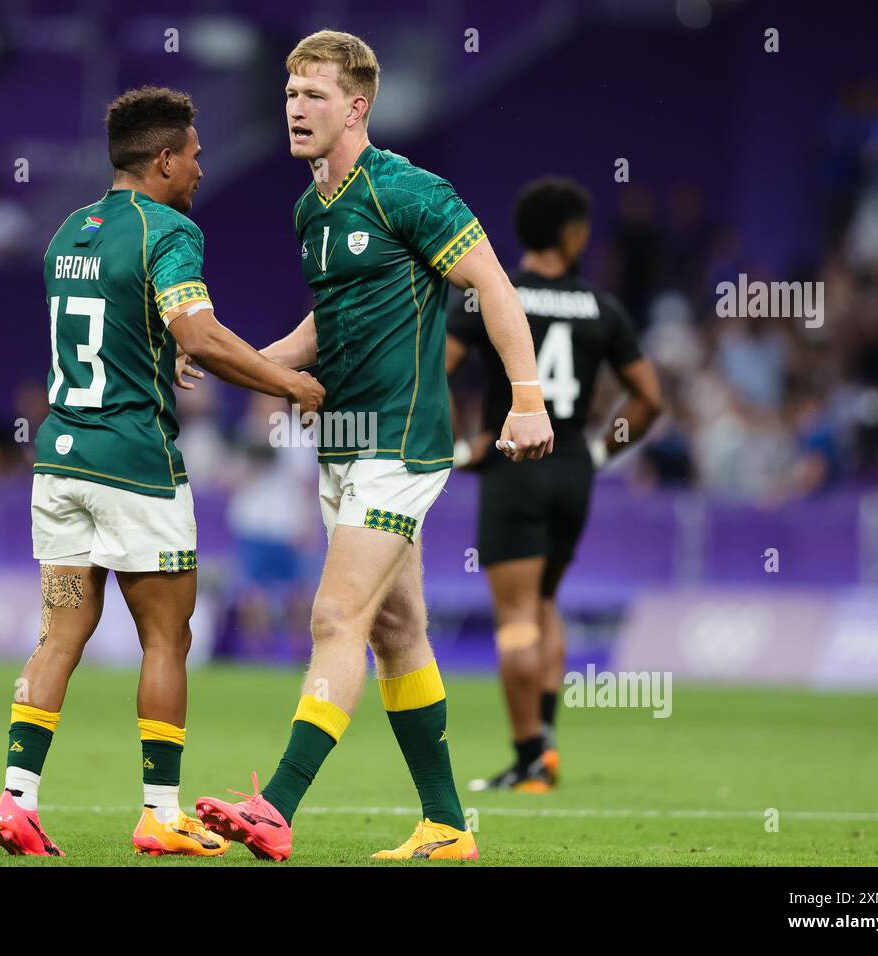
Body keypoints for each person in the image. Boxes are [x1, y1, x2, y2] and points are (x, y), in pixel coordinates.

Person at [195, 31, 553, 862]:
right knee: (397, 630)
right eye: (289, 93)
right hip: (344, 447)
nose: (294, 107)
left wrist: (527, 399)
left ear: (357, 107)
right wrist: (234, 359)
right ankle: (448, 826)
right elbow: (328, 323)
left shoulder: (409, 191)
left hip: (402, 444)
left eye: (314, 95)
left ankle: (276, 806)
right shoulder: (309, 209)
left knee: (334, 615)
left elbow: (493, 284)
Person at [0, 86, 325, 858]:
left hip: (61, 469)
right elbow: (198, 334)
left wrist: (165, 349)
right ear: (163, 160)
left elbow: (115, 329)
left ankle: (16, 800)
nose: (201, 168)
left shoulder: (69, 231)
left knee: (58, 636)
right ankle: (161, 812)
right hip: (135, 471)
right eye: (195, 155)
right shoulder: (168, 231)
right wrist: (291, 383)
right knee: (167, 639)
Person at [445, 177, 662, 792]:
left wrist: (465, 444)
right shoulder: (603, 306)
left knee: (514, 616)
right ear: (571, 235)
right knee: (544, 603)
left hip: (514, 460)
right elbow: (649, 399)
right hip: (574, 469)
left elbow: (437, 369)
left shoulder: (493, 294)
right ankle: (547, 742)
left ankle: (528, 759)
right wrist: (598, 449)